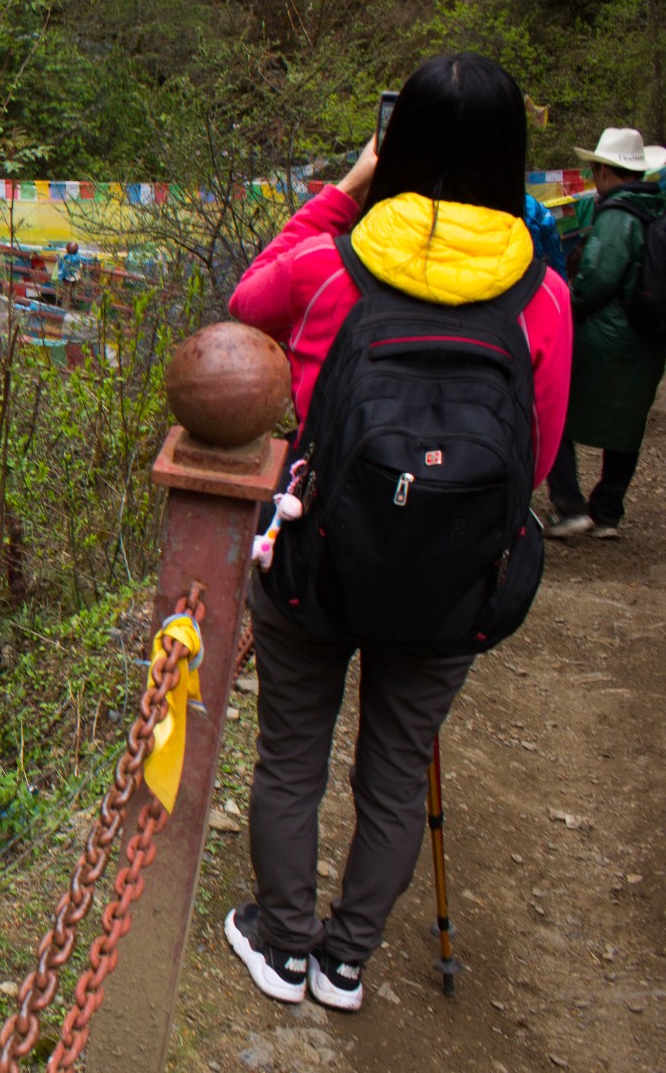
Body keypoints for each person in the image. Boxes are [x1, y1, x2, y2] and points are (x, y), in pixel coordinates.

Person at [221, 53, 572, 1013]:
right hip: (451, 581)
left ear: (396, 143)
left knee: (292, 754)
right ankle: (346, 961)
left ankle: (283, 943)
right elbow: (535, 457)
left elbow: (248, 301)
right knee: (394, 771)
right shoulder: (541, 295)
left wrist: (345, 188)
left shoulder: (334, 264)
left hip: (313, 555)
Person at [544, 128, 666, 540]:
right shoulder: (655, 209)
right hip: (647, 339)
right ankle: (608, 510)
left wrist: (563, 306)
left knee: (556, 410)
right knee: (628, 424)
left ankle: (570, 505)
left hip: (607, 339)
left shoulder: (617, 215)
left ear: (605, 173)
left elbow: (597, 278)